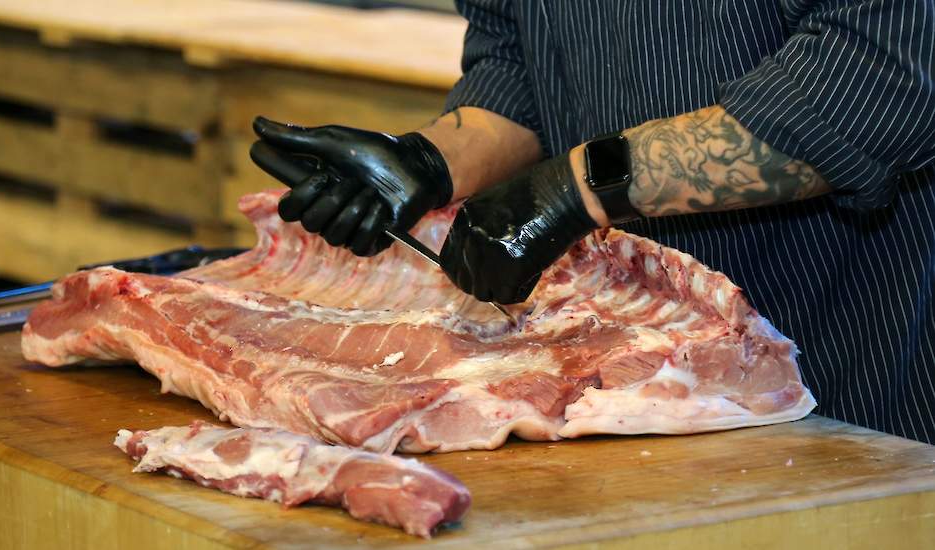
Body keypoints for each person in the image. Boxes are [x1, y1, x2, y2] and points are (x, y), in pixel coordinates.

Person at [250, 1, 935, 443]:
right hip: (620, 384)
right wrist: (430, 163)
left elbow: (875, 81)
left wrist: (578, 187)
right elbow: (516, 63)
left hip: (842, 387)